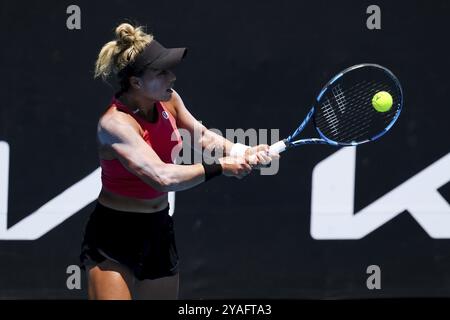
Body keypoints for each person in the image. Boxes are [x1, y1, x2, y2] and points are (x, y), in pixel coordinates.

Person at [80, 22, 278, 300]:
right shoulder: (114, 124)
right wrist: (221, 167)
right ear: (136, 82)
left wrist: (240, 151)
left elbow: (204, 138)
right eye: (161, 72)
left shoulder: (169, 100)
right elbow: (162, 177)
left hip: (158, 228)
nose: (172, 77)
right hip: (114, 235)